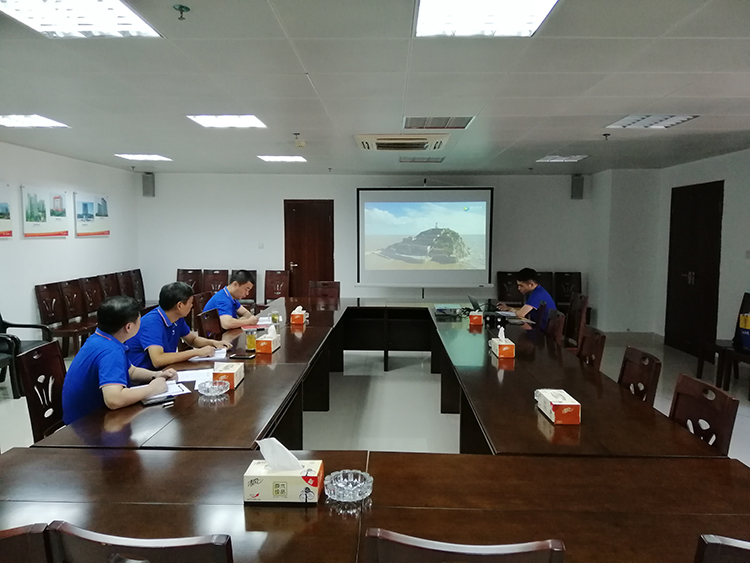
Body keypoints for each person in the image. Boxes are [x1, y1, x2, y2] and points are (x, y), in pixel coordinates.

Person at [62, 296, 177, 425]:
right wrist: (152, 389)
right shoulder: (111, 351)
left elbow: (130, 371)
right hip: (87, 424)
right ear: (129, 327)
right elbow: (114, 399)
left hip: (86, 418)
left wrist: (156, 375)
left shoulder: (100, 339)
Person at [126, 281, 231, 370]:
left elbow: (192, 340)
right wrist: (197, 352)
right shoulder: (152, 322)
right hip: (145, 378)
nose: (192, 306)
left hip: (165, 370)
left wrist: (214, 343)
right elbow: (158, 360)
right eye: (190, 302)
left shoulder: (177, 317)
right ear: (179, 305)